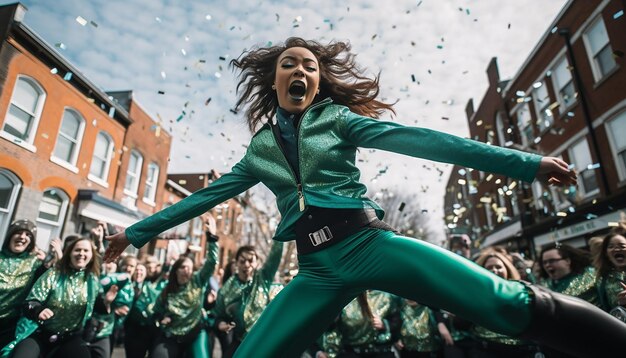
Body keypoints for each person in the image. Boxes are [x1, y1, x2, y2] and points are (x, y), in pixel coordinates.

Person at [104, 37, 625, 358]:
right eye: (290, 64)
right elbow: (201, 199)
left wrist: (525, 163)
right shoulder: (260, 148)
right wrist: (131, 234)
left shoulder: (337, 120)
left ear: (319, 80)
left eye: (310, 65)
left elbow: (428, 141)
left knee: (502, 304)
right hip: (316, 269)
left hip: (370, 244)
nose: (301, 71)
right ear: (274, 78)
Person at [1, 236, 112, 358]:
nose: (81, 253)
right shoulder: (53, 274)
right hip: (39, 332)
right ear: (69, 253)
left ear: (91, 257)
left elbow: (97, 308)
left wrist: (106, 302)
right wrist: (39, 310)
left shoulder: (92, 280)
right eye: (77, 250)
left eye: (86, 251)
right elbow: (30, 302)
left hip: (69, 337)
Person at [150, 222, 219, 358]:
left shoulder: (197, 281)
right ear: (176, 271)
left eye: (190, 267)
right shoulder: (167, 291)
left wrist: (212, 238)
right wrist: (161, 319)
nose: (187, 270)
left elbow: (211, 263)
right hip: (172, 335)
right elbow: (156, 313)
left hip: (195, 334)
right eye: (183, 267)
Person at [212, 241, 284, 357]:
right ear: (236, 263)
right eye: (242, 261)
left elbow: (275, 256)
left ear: (256, 263)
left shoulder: (263, 278)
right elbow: (218, 316)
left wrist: (280, 234)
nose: (246, 264)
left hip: (263, 341)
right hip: (241, 341)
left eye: (250, 261)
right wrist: (221, 324)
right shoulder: (226, 290)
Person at [0, 220, 61, 349]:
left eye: (28, 234)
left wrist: (57, 257)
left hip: (11, 327)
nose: (22, 237)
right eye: (18, 232)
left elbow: (57, 281)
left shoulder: (35, 263)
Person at [470, 251, 542, 358]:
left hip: (522, 351)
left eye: (498, 267)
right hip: (487, 350)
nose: (494, 270)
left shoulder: (522, 289)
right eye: (489, 267)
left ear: (507, 269)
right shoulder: (475, 294)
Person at [319, 290, 401, 357]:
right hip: (351, 351)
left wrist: (384, 325)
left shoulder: (386, 296)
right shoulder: (345, 297)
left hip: (380, 350)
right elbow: (330, 329)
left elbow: (397, 322)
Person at [593, 229, 626, 320]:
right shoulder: (602, 279)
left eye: (622, 246)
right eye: (611, 246)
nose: (616, 249)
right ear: (606, 254)